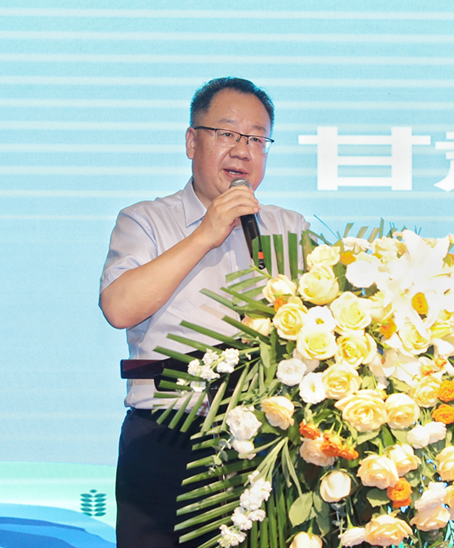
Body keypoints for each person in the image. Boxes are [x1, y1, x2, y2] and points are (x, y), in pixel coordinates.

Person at [99, 77, 309, 547]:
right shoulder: (145, 220)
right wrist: (205, 233)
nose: (242, 150)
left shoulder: (289, 228)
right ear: (192, 141)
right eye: (227, 133)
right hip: (169, 435)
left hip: (269, 445)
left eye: (257, 139)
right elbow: (118, 307)